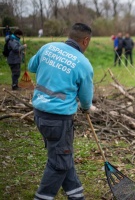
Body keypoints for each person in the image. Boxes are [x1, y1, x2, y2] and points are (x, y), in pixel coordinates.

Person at [28, 23, 94, 200]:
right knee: (59, 163)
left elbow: (32, 67)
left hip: (39, 114)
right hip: (59, 120)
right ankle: (42, 197)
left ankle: (76, 194)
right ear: (85, 40)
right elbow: (86, 97)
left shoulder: (48, 47)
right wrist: (87, 108)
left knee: (62, 155)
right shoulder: (83, 64)